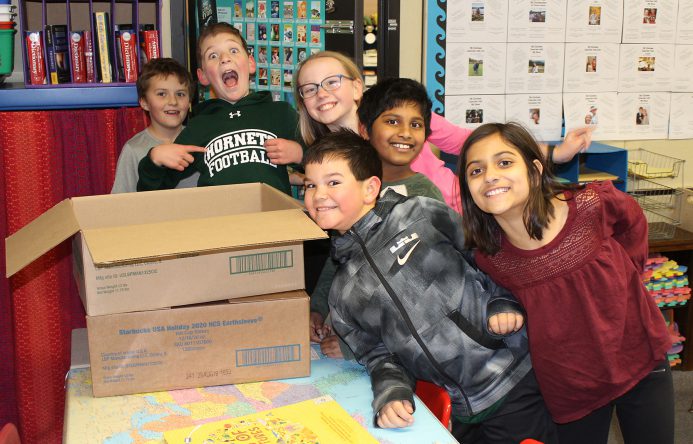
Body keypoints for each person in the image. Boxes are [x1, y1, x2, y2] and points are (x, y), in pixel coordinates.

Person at [303, 129, 558, 444]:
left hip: (512, 380)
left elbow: (488, 257)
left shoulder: (419, 213)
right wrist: (392, 393)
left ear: (370, 188)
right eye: (310, 185)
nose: (318, 194)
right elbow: (376, 355)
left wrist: (501, 303)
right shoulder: (342, 292)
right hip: (459, 408)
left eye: (333, 182)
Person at [458, 122, 674, 444]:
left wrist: (627, 275)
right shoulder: (490, 260)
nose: (490, 175)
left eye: (504, 162)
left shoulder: (591, 205)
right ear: (468, 188)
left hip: (640, 360)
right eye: (476, 171)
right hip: (573, 390)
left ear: (534, 170)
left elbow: (633, 222)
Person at [286, 50, 592, 213]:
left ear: (356, 86)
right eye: (310, 89)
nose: (322, 93)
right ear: (303, 102)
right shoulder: (326, 155)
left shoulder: (399, 112)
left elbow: (471, 142)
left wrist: (556, 152)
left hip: (462, 213)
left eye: (332, 82)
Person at [310, 78, 444, 358]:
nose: (405, 133)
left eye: (416, 124)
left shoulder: (424, 195)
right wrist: (317, 309)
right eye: (392, 121)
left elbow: (420, 290)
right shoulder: (350, 191)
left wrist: (352, 346)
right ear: (365, 130)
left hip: (405, 344)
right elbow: (338, 260)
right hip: (354, 325)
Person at [136, 22, 303, 194]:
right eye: (213, 55)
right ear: (203, 76)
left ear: (251, 63)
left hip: (274, 218)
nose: (224, 58)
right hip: (221, 219)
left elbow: (325, 161)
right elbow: (150, 192)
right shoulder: (199, 127)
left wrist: (300, 155)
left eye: (233, 50)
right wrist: (154, 159)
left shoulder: (280, 113)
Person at [111, 58, 198, 193]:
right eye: (162, 94)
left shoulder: (200, 141)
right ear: (144, 102)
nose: (173, 101)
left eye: (180, 94)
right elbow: (120, 205)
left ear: (189, 101)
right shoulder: (133, 149)